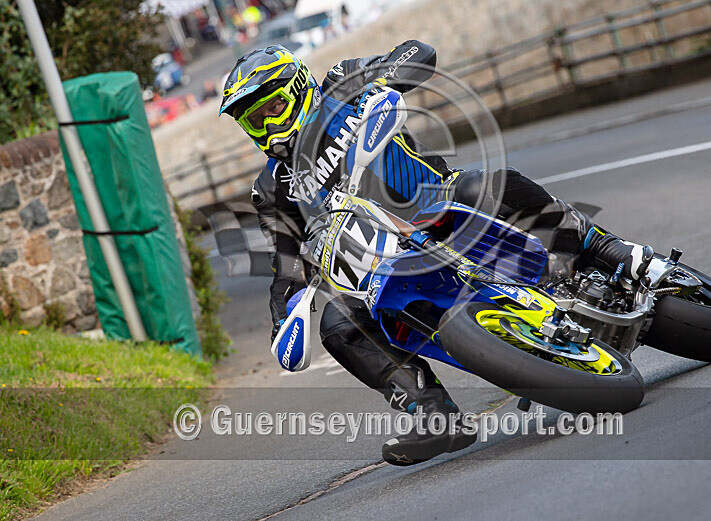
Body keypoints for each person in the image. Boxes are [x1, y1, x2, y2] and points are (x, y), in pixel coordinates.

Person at [218, 42, 653, 465]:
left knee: (485, 183)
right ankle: (430, 411)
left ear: (295, 88)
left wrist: (385, 79)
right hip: (378, 261)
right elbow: (286, 260)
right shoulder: (272, 187)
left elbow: (416, 52)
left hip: (434, 200)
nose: (265, 125)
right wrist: (283, 321)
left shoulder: (339, 83)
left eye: (269, 108)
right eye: (253, 120)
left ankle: (607, 250)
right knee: (337, 321)